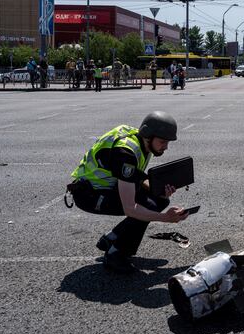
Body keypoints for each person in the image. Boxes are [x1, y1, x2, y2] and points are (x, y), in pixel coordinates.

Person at [66, 111, 189, 273]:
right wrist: (165, 218)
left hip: (105, 188)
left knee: (159, 200)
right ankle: (115, 254)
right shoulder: (126, 153)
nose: (166, 147)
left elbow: (135, 177)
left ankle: (112, 239)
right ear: (148, 136)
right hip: (89, 195)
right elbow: (130, 208)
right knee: (150, 206)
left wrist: (159, 191)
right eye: (162, 142)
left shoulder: (139, 139)